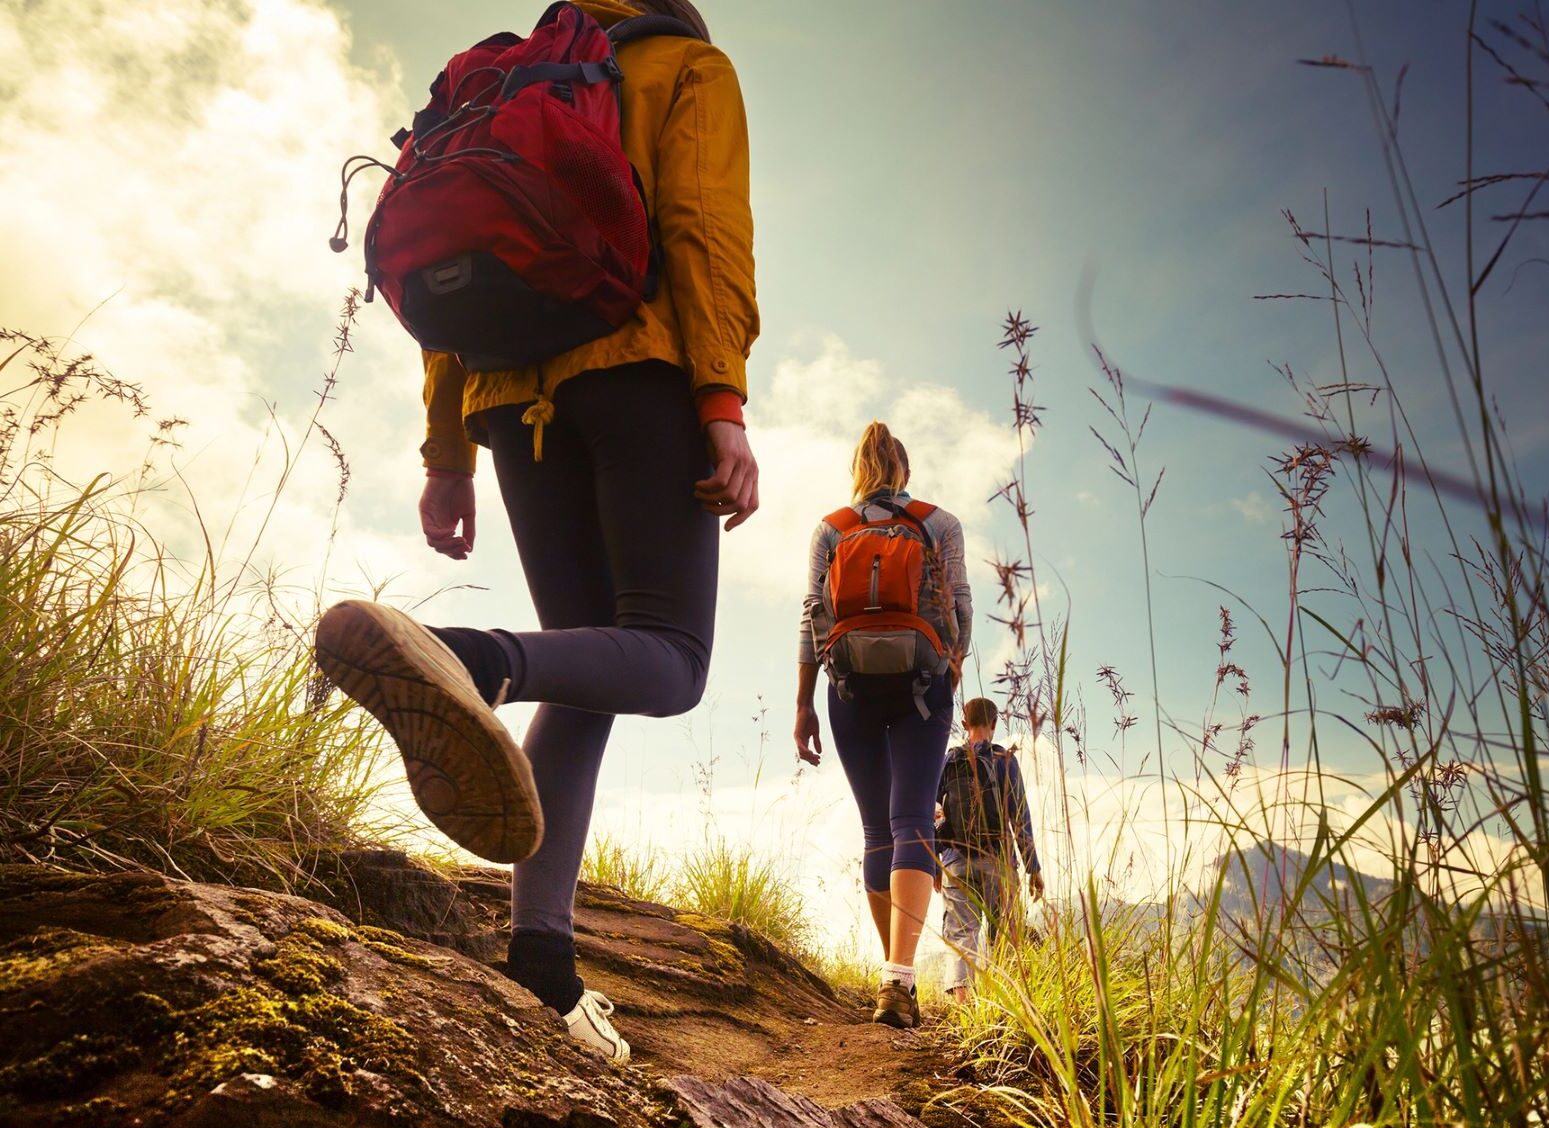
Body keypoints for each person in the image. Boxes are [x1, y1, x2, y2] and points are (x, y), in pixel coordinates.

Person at [314, 0, 757, 1064]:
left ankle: (542, 965)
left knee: (590, 671)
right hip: (638, 371)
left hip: (508, 398)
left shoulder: (501, 80)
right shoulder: (685, 66)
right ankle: (468, 661)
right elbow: (702, 226)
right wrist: (723, 403)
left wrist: (447, 453)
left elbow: (446, 285)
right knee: (671, 656)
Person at [795, 422, 971, 1029]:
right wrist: (948, 674)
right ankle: (900, 974)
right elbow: (962, 609)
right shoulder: (938, 522)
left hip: (848, 689)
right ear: (905, 472)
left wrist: (805, 703)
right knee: (913, 822)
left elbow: (810, 619)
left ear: (858, 472)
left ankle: (892, 975)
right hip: (923, 686)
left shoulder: (832, 529)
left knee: (877, 830)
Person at [936, 697, 1044, 1002]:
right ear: (994, 724)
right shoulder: (1005, 760)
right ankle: (1004, 1007)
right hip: (999, 860)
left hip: (955, 860)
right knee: (1005, 935)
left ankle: (965, 1008)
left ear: (964, 723)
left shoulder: (947, 761)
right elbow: (1019, 816)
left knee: (961, 933)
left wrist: (934, 864)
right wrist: (1033, 867)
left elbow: (931, 811)